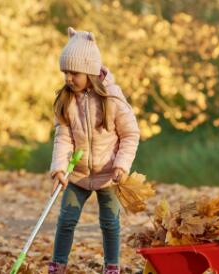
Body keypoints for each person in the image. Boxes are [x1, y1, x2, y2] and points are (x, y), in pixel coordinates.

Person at [48, 27, 140, 274]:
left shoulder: (112, 98)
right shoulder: (67, 99)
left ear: (90, 71)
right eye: (65, 72)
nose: (68, 78)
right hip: (76, 174)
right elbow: (63, 136)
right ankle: (58, 264)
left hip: (108, 174)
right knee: (66, 220)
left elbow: (130, 134)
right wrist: (59, 167)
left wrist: (121, 165)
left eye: (74, 73)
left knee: (110, 222)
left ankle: (112, 266)